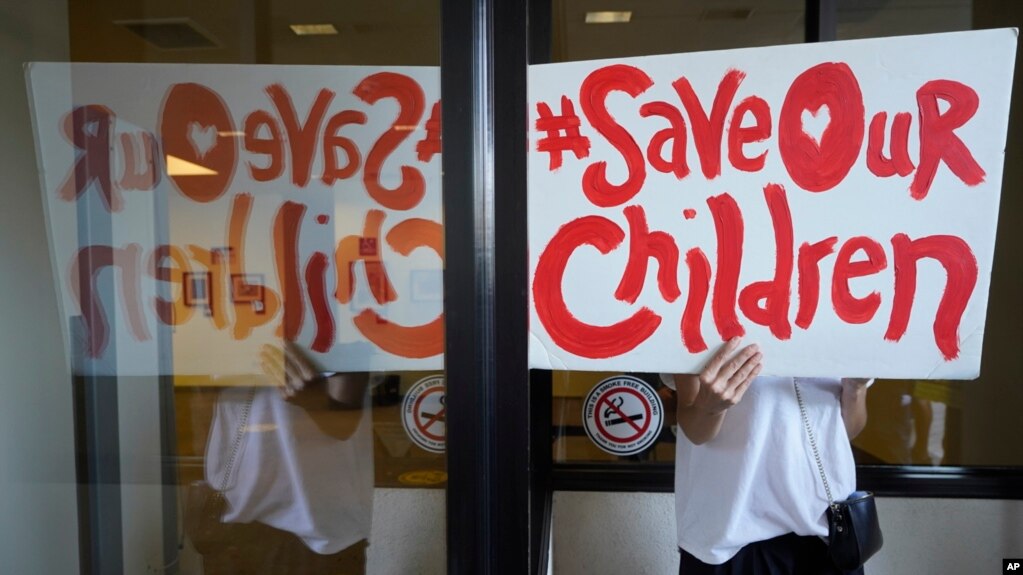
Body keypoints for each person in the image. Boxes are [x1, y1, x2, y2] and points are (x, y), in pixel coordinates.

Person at [665, 336, 870, 575]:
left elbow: (846, 430)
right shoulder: (704, 318)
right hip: (732, 533)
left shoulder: (839, 319)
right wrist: (709, 406)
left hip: (829, 530)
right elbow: (695, 431)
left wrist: (856, 388)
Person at [185, 343, 374, 575]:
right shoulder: (225, 322)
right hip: (235, 518)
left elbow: (344, 425)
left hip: (316, 527)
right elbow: (196, 405)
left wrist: (314, 399)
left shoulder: (330, 319)